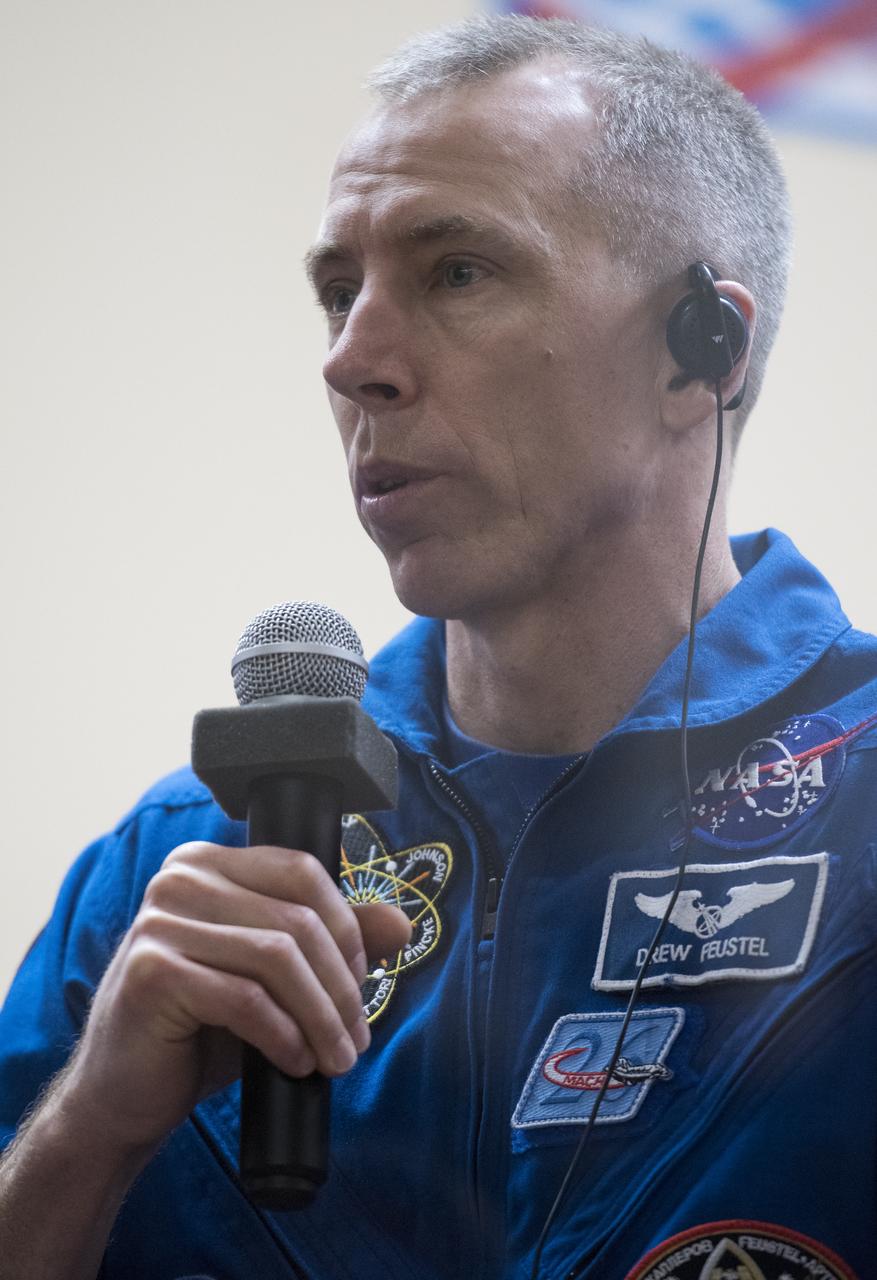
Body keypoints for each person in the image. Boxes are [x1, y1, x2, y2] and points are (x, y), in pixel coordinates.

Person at [0, 14, 873, 1280]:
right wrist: (89, 1128)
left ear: (703, 353)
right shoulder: (177, 863)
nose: (351, 359)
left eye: (457, 271)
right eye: (337, 291)